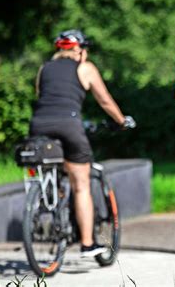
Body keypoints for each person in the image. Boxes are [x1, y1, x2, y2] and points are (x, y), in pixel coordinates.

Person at [29, 29, 135, 257]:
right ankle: (87, 243)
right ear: (80, 51)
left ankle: (53, 201)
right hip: (69, 125)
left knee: (54, 166)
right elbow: (104, 100)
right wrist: (121, 121)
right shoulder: (85, 68)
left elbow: (43, 96)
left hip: (38, 125)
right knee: (81, 183)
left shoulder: (44, 69)